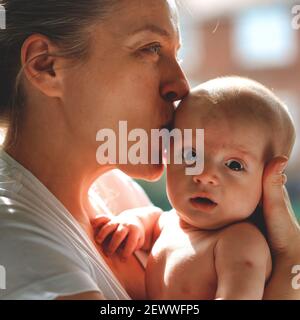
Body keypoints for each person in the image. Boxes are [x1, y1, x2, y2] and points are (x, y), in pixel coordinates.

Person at [0, 0, 299, 300]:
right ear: (46, 65)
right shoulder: (12, 235)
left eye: (176, 53)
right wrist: (290, 261)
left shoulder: (116, 191)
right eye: (151, 48)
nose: (181, 86)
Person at [95, 76, 296, 299]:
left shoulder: (239, 242)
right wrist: (133, 225)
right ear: (168, 153)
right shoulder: (171, 223)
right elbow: (153, 221)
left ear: (267, 182)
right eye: (191, 155)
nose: (205, 175)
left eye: (234, 165)